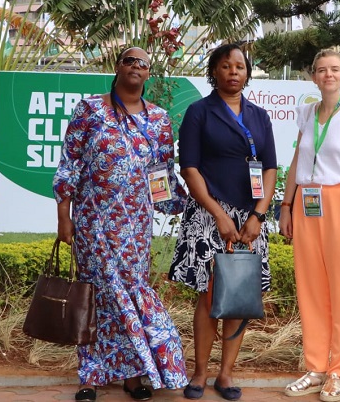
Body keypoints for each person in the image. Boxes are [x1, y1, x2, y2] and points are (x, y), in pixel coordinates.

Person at [53, 47, 188, 402]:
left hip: (135, 225)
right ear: (117, 67)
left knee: (130, 291)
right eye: (130, 61)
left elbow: (162, 174)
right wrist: (63, 217)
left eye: (144, 64)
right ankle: (90, 377)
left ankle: (132, 376)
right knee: (96, 296)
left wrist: (181, 206)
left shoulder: (158, 119)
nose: (137, 67)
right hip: (94, 220)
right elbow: (70, 163)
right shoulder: (90, 110)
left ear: (148, 75)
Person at [168, 43, 277, 401]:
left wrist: (258, 215)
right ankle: (199, 372)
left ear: (248, 73)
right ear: (214, 70)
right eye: (226, 66)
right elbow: (190, 168)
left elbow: (271, 169)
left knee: (240, 294)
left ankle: (226, 374)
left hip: (250, 220)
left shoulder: (260, 116)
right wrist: (218, 213)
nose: (234, 72)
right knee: (211, 294)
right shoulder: (199, 112)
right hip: (209, 215)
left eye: (240, 67)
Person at [279, 48, 340, 402]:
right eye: (321, 70)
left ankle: (339, 371)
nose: (328, 75)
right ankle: (317, 366)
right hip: (307, 203)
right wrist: (285, 205)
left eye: (335, 69)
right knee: (311, 288)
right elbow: (297, 160)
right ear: (314, 76)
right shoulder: (306, 113)